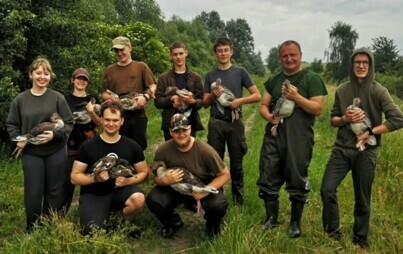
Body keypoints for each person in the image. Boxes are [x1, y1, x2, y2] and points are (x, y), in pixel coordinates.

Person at [320, 47, 403, 248]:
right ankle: (332, 232)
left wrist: (371, 132)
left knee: (362, 198)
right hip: (341, 149)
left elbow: (398, 119)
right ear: (352, 65)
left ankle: (360, 239)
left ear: (371, 65)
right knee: (327, 189)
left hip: (366, 152)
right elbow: (333, 119)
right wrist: (344, 119)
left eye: (365, 62)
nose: (361, 65)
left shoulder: (379, 90)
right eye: (357, 62)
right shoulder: (341, 90)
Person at [256, 40, 327, 238]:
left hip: (299, 138)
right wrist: (269, 117)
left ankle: (295, 224)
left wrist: (296, 97)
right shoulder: (275, 79)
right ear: (280, 58)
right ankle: (271, 219)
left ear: (300, 55)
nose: (289, 59)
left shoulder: (312, 78)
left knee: (297, 177)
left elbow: (317, 108)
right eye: (285, 56)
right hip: (274, 134)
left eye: (292, 55)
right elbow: (263, 105)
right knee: (267, 174)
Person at [6, 57, 74, 233]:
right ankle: (32, 228)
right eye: (38, 73)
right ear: (30, 75)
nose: (42, 76)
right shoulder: (20, 100)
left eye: (46, 73)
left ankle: (49, 226)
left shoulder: (57, 98)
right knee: (34, 192)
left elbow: (68, 123)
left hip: (56, 150)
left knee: (54, 190)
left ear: (50, 76)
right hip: (31, 152)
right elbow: (12, 124)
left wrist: (55, 135)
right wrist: (17, 137)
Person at [70, 101, 149, 237]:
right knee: (92, 232)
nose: (111, 124)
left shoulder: (131, 145)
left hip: (121, 191)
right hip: (94, 194)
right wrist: (95, 178)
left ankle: (125, 223)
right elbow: (74, 177)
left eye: (115, 120)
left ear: (122, 121)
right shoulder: (87, 146)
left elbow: (144, 172)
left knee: (138, 198)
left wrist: (128, 182)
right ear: (100, 119)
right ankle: (101, 214)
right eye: (107, 120)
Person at [146, 113, 230, 238]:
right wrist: (164, 181)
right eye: (176, 131)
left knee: (218, 204)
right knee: (154, 199)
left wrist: (204, 192)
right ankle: (173, 223)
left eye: (184, 130)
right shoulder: (163, 150)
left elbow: (225, 175)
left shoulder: (205, 150)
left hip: (201, 187)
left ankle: (212, 227)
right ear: (170, 132)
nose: (181, 135)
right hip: (176, 188)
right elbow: (156, 178)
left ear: (190, 129)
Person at [203, 37, 261, 205]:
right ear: (215, 53)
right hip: (216, 123)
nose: (223, 53)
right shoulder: (210, 75)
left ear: (231, 52)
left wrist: (239, 101)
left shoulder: (240, 72)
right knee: (215, 161)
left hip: (235, 123)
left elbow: (257, 95)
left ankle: (238, 198)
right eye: (219, 51)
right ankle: (216, 196)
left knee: (236, 162)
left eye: (226, 50)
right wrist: (213, 95)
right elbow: (205, 104)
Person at [102, 36, 157, 150]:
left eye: (122, 50)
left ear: (129, 47)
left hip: (138, 115)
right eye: (117, 51)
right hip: (117, 117)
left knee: (138, 148)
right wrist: (111, 98)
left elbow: (153, 86)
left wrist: (145, 97)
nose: (119, 53)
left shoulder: (141, 66)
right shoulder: (109, 70)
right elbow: (104, 93)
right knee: (118, 148)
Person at [62, 67, 101, 213]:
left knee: (91, 180)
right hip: (70, 147)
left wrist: (91, 112)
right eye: (78, 78)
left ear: (88, 82)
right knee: (67, 181)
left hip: (90, 146)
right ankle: (61, 214)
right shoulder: (64, 100)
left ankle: (89, 212)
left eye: (84, 79)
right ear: (72, 80)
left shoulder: (93, 98)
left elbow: (100, 122)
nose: (81, 81)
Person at [155, 41, 204, 140]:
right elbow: (157, 102)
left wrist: (192, 102)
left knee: (190, 153)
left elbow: (200, 101)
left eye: (181, 53)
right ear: (170, 56)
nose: (178, 57)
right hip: (170, 123)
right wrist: (173, 99)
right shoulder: (163, 78)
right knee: (170, 153)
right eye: (175, 54)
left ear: (186, 53)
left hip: (190, 122)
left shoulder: (196, 77)